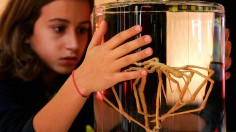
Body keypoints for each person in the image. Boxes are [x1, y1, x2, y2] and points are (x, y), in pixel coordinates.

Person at [0, 0, 232, 132]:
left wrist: (206, 92)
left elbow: (124, 121)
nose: (73, 44)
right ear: (25, 31)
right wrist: (80, 82)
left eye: (83, 30)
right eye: (59, 28)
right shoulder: (4, 84)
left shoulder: (83, 81)